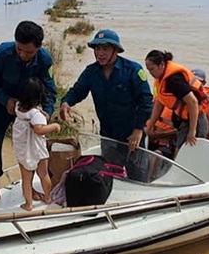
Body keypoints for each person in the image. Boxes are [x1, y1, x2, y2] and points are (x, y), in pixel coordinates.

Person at [0, 20, 57, 208]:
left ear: (38, 48)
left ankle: (29, 187)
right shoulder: (1, 53)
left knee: (32, 147)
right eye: (19, 49)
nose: (22, 54)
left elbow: (50, 89)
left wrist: (46, 113)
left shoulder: (45, 60)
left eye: (29, 52)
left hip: (29, 109)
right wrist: (5, 99)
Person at [59, 28, 153, 172]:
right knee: (109, 174)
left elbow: (146, 101)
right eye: (97, 48)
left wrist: (138, 129)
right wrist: (66, 102)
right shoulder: (91, 72)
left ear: (116, 50)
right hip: (108, 134)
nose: (100, 53)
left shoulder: (133, 70)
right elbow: (78, 91)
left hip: (132, 135)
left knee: (138, 174)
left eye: (105, 49)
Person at [143, 50, 209, 154]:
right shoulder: (161, 80)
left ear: (161, 65)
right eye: (148, 70)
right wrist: (150, 126)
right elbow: (159, 104)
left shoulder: (174, 80)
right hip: (182, 120)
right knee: (178, 149)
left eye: (152, 69)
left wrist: (192, 131)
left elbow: (193, 102)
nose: (151, 73)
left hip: (196, 120)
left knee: (186, 151)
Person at [13, 78, 61, 210]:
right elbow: (39, 130)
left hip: (24, 150)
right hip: (37, 150)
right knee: (44, 174)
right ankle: (47, 197)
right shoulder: (36, 115)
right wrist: (54, 126)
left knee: (26, 180)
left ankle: (28, 204)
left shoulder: (18, 108)